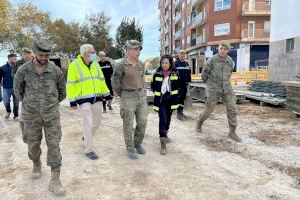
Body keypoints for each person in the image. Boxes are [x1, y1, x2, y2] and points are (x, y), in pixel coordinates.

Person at [14, 38, 66, 195]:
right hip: (31, 115)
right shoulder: (23, 70)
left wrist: (50, 103)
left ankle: (55, 179)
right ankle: (36, 163)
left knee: (54, 145)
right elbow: (18, 92)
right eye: (41, 55)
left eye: (47, 55)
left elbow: (62, 92)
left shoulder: (55, 70)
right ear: (34, 53)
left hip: (51, 115)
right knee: (32, 145)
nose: (44, 58)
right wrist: (31, 104)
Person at [66, 44, 111, 160]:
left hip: (97, 97)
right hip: (83, 98)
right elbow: (70, 83)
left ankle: (86, 137)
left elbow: (101, 80)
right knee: (88, 122)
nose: (94, 54)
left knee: (97, 122)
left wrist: (107, 93)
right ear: (85, 53)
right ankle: (88, 150)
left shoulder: (95, 64)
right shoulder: (74, 65)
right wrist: (72, 100)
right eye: (92, 52)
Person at [196, 40, 242, 142]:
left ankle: (232, 132)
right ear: (218, 48)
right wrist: (210, 85)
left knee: (232, 108)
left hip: (227, 88)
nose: (222, 51)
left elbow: (230, 73)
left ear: (228, 51)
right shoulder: (211, 61)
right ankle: (199, 122)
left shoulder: (230, 60)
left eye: (225, 49)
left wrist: (226, 83)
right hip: (214, 89)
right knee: (209, 109)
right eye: (221, 48)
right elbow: (204, 75)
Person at [111, 40, 148, 160]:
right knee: (128, 123)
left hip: (140, 95)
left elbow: (143, 78)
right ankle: (130, 148)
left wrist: (144, 88)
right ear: (129, 50)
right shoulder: (121, 64)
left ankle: (137, 143)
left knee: (143, 121)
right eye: (136, 49)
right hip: (128, 96)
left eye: (139, 49)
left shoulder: (141, 64)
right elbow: (115, 81)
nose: (138, 52)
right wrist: (121, 93)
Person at [151, 54, 179, 155]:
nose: (164, 65)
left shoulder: (175, 73)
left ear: (170, 63)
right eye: (163, 63)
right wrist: (159, 94)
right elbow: (153, 86)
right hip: (161, 101)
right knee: (162, 119)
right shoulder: (157, 73)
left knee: (168, 119)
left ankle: (166, 133)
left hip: (171, 100)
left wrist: (177, 99)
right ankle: (163, 142)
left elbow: (178, 87)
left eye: (166, 63)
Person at [0, 53, 19, 119]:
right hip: (6, 88)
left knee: (16, 103)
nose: (16, 60)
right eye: (14, 59)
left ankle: (16, 115)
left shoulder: (18, 68)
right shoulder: (2, 68)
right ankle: (8, 111)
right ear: (10, 58)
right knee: (6, 101)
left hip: (16, 88)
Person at [175, 50, 191, 120]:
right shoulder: (175, 64)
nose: (182, 55)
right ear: (178, 55)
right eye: (181, 54)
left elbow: (189, 73)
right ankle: (179, 114)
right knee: (179, 98)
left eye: (183, 54)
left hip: (184, 85)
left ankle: (181, 112)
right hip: (178, 85)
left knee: (183, 98)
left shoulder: (187, 64)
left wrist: (188, 81)